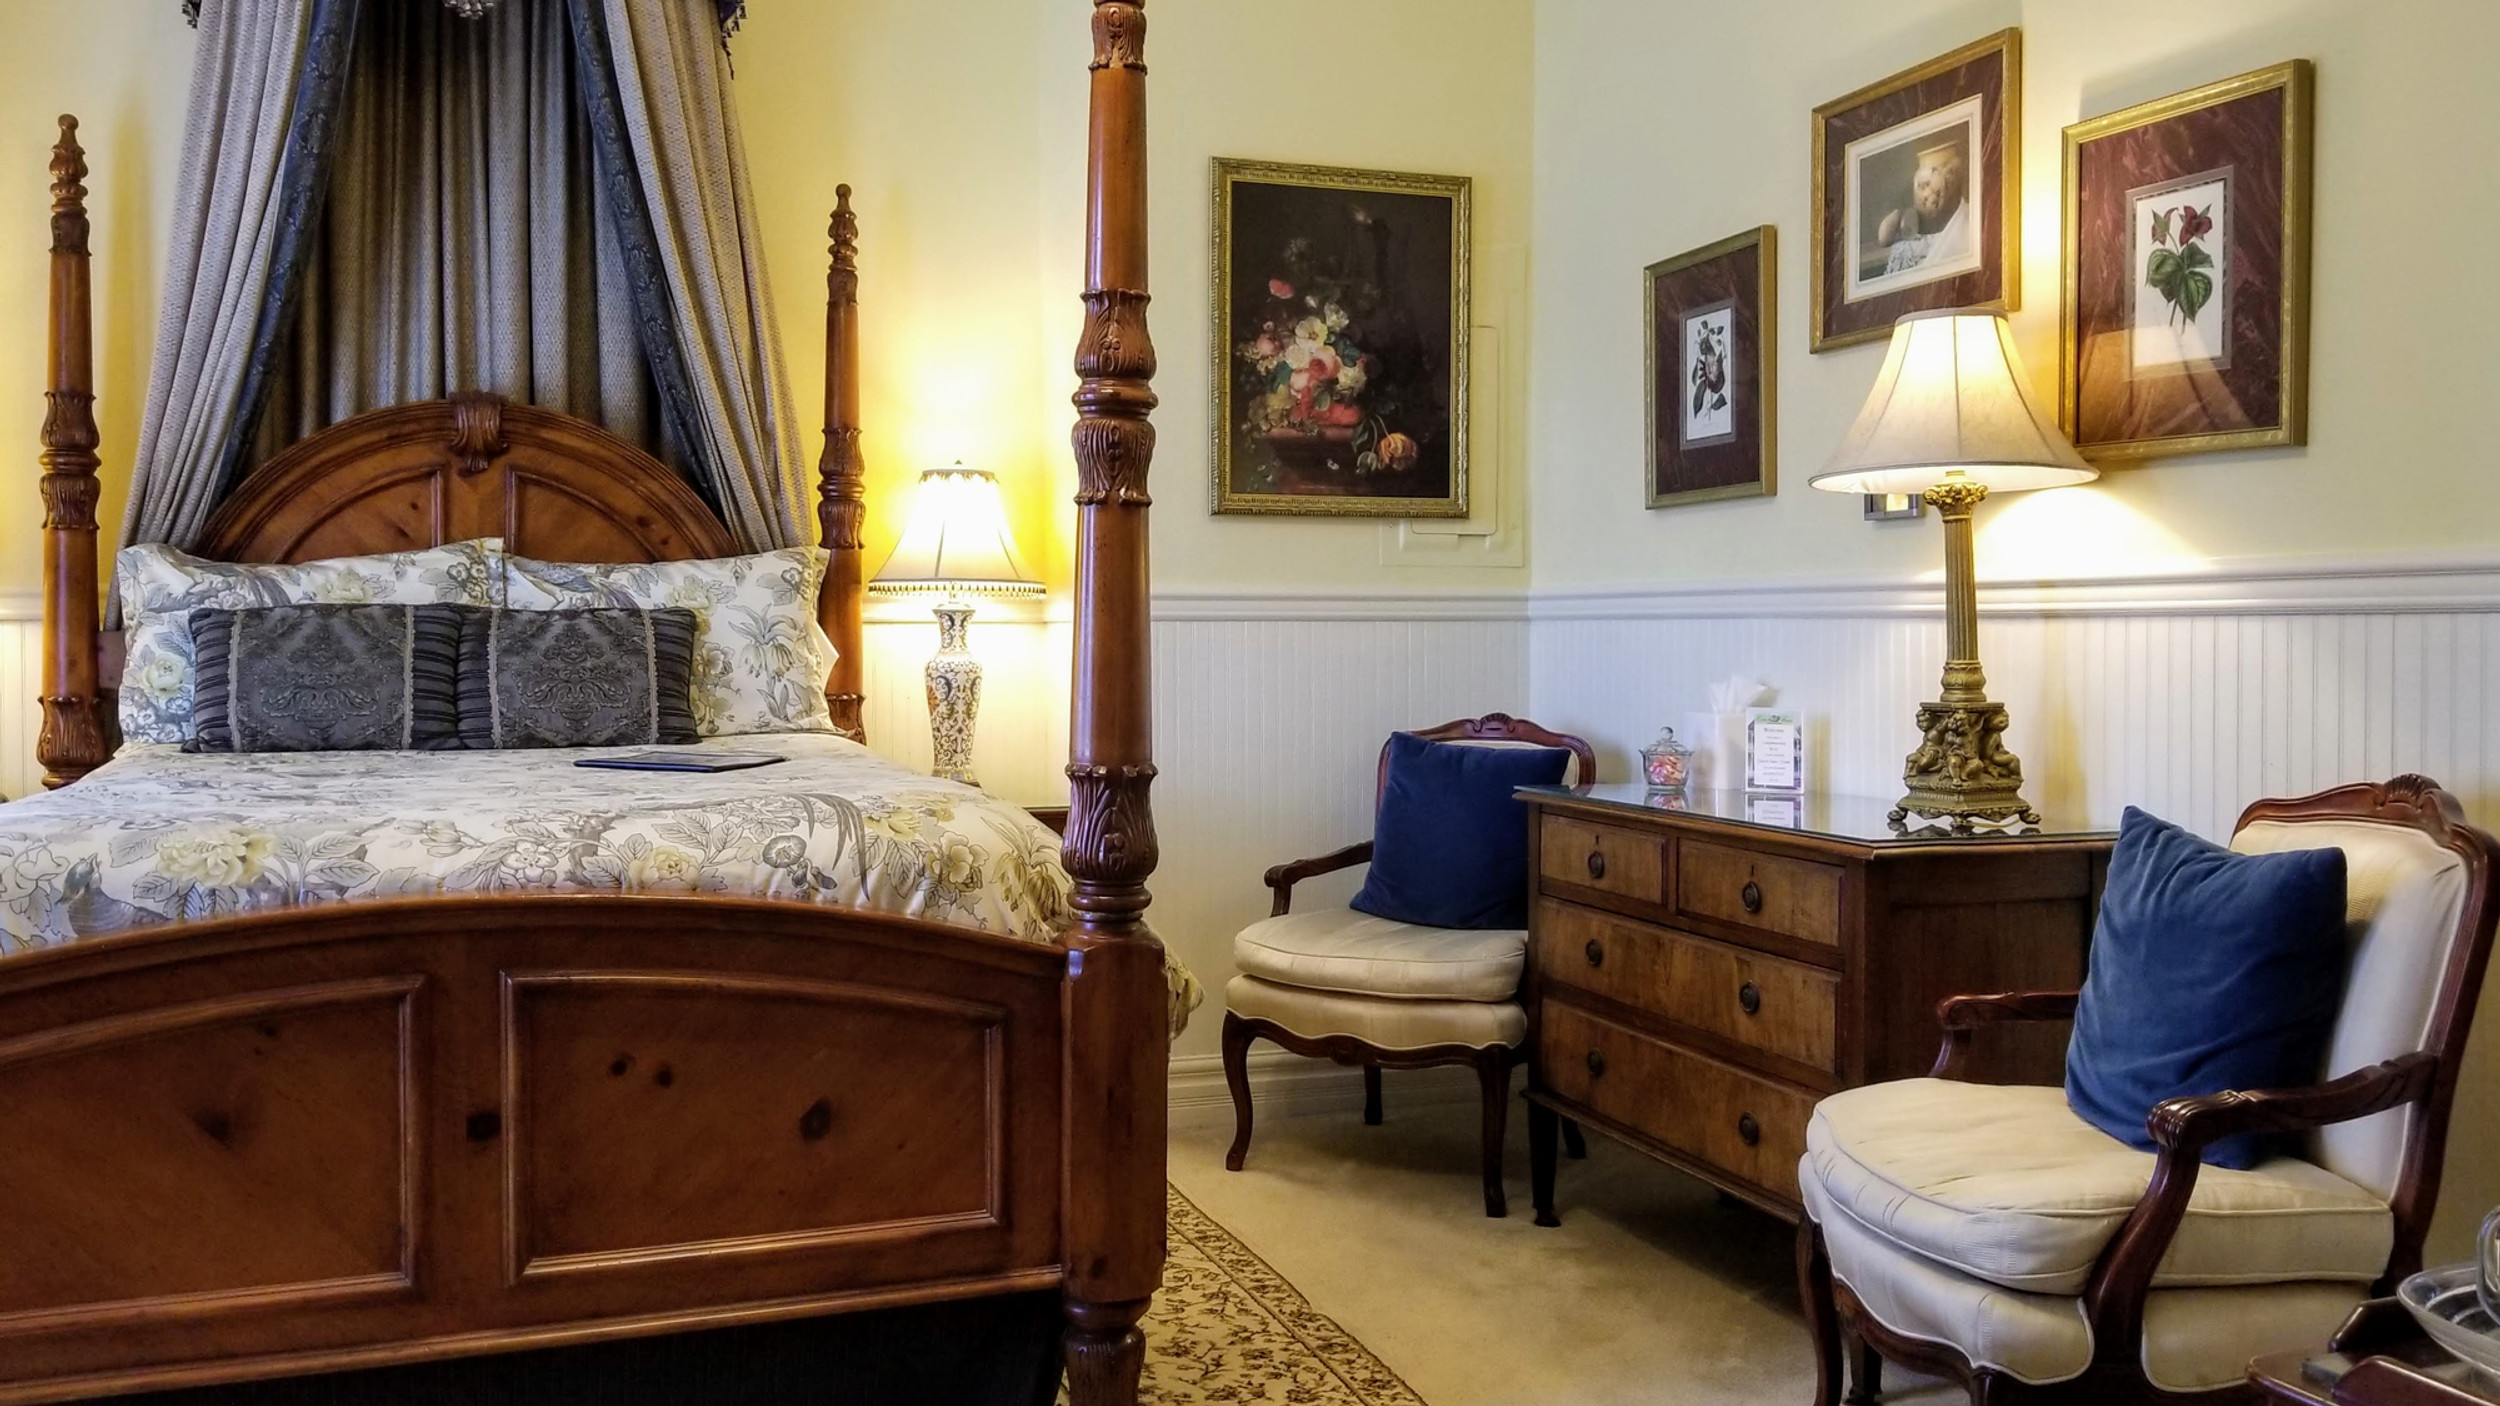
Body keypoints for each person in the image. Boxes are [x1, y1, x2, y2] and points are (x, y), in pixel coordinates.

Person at [1874, 139, 1970, 277]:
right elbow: (1883, 239)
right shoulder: (1906, 219)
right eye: (1922, 187)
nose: (1927, 197)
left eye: (1935, 192)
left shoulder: (1964, 221)